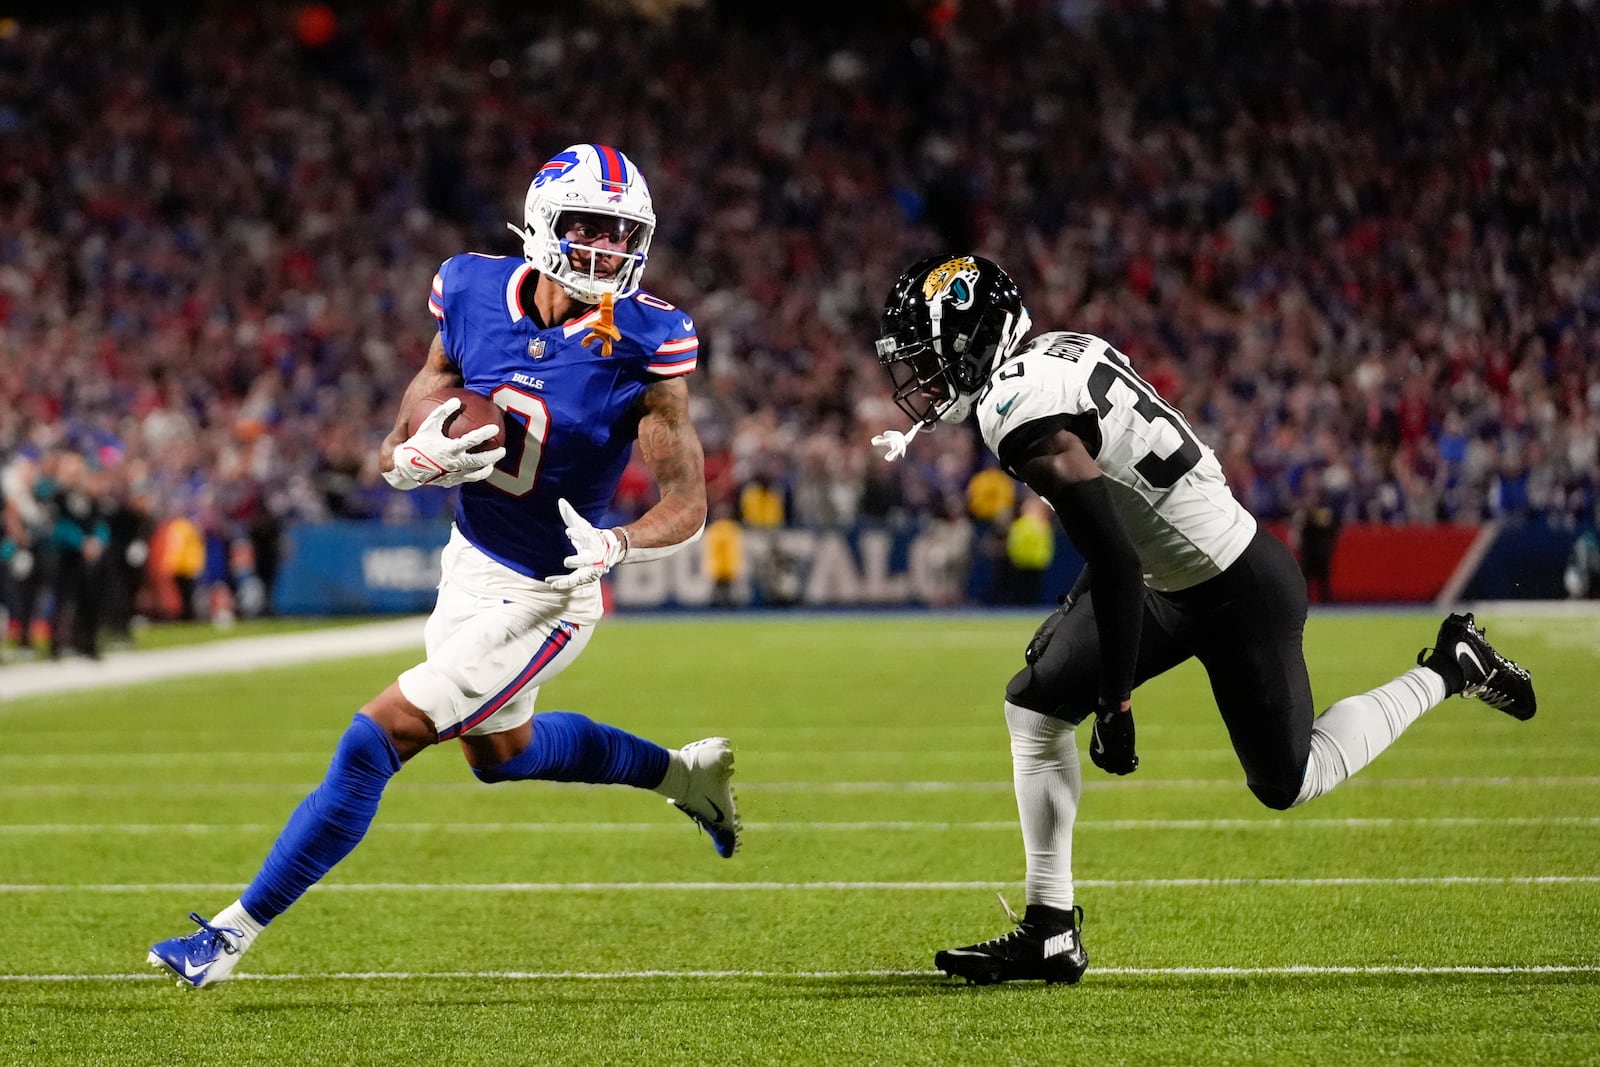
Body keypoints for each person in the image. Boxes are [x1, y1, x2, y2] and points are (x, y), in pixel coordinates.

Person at [148, 144, 740, 989]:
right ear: (541, 224)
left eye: (622, 236)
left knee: (377, 735)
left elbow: (688, 503)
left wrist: (620, 544)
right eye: (588, 230)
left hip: (550, 592)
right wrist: (403, 455)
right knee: (502, 754)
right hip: (470, 561)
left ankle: (229, 935)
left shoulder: (644, 339)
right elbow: (432, 384)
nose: (607, 253)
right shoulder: (468, 287)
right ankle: (684, 774)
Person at [869, 254, 1537, 987]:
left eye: (932, 359)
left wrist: (1115, 700)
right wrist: (1076, 609)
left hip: (1238, 588)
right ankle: (1049, 931)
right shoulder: (1062, 352)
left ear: (976, 338)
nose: (926, 382)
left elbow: (1121, 558)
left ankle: (1450, 667)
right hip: (1170, 578)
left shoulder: (1013, 409)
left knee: (1290, 779)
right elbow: (1128, 512)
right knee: (1032, 704)